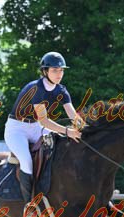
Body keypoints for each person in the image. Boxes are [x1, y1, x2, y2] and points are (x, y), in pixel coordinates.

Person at [5, 51, 83, 205]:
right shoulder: (37, 89)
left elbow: (73, 116)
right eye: (54, 70)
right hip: (17, 129)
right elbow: (45, 121)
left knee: (61, 145)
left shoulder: (61, 90)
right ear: (45, 71)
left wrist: (85, 129)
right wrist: (68, 131)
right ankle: (29, 205)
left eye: (61, 70)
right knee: (27, 162)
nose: (59, 74)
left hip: (36, 127)